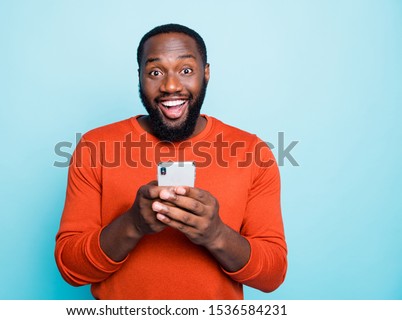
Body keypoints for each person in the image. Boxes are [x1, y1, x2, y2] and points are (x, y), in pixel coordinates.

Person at [55, 23, 287, 299]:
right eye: (155, 72)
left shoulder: (253, 152)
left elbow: (272, 275)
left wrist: (215, 234)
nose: (171, 86)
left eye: (186, 70)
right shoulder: (95, 147)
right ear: (139, 77)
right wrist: (133, 224)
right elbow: (71, 269)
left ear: (207, 73)